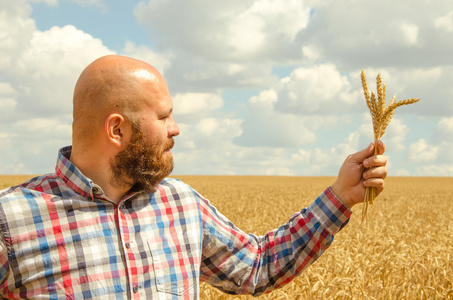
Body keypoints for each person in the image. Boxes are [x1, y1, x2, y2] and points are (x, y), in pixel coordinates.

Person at [0, 55, 387, 299]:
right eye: (164, 115)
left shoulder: (181, 204)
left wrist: (340, 196)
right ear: (117, 130)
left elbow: (258, 267)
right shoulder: (10, 221)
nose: (176, 128)